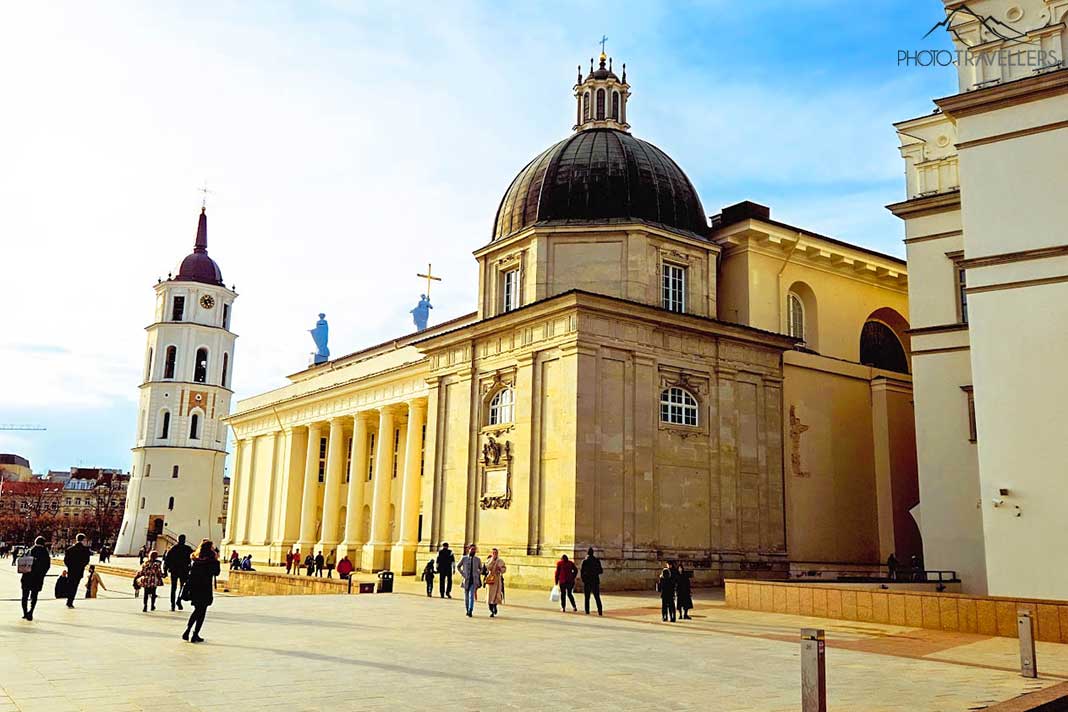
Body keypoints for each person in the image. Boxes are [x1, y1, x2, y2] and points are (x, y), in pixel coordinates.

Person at [182, 539, 221, 643]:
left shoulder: (196, 560)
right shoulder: (212, 561)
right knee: (201, 612)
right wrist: (217, 560)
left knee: (196, 610)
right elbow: (216, 573)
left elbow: (190, 575)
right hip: (205, 588)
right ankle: (195, 634)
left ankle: (188, 630)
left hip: (195, 588)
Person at [20, 536, 50, 621]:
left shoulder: (29, 550)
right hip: (38, 578)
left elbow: (21, 562)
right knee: (34, 595)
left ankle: (25, 613)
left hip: (27, 577)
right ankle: (31, 611)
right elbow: (47, 566)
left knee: (24, 596)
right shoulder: (45, 552)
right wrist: (42, 574)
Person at [164, 533, 193, 612]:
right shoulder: (188, 549)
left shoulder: (173, 549)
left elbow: (167, 560)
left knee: (173, 588)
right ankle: (178, 601)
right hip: (184, 570)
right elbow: (193, 559)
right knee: (182, 587)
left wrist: (165, 570)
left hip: (174, 570)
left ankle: (173, 604)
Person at [63, 533, 91, 609]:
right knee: (75, 586)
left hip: (71, 570)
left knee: (70, 585)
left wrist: (70, 566)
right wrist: (81, 566)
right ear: (83, 540)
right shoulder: (85, 550)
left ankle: (68, 600)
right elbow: (86, 561)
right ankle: (70, 602)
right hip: (79, 571)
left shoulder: (70, 549)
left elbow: (66, 561)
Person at [457, 544, 482, 617]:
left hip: (473, 580)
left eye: (474, 549)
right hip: (466, 580)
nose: (473, 551)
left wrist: (478, 573)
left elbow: (481, 568)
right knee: (466, 597)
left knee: (471, 595)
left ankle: (470, 610)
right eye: (472, 549)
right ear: (469, 550)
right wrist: (463, 574)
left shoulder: (477, 559)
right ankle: (467, 608)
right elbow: (458, 566)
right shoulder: (464, 558)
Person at [483, 548, 506, 618]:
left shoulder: (501, 561)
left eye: (496, 553)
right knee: (490, 596)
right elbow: (488, 567)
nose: (495, 554)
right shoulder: (488, 560)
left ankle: (494, 607)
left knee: (496, 595)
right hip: (490, 580)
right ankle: (491, 608)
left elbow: (504, 569)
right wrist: (492, 560)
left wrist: (501, 569)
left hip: (497, 579)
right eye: (493, 553)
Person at [580, 547, 604, 616]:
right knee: (597, 597)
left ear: (587, 553)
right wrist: (594, 572)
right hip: (595, 581)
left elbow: (581, 572)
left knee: (587, 598)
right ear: (593, 553)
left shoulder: (585, 561)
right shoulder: (596, 560)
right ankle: (600, 611)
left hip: (587, 581)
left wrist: (584, 579)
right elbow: (600, 571)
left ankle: (587, 611)